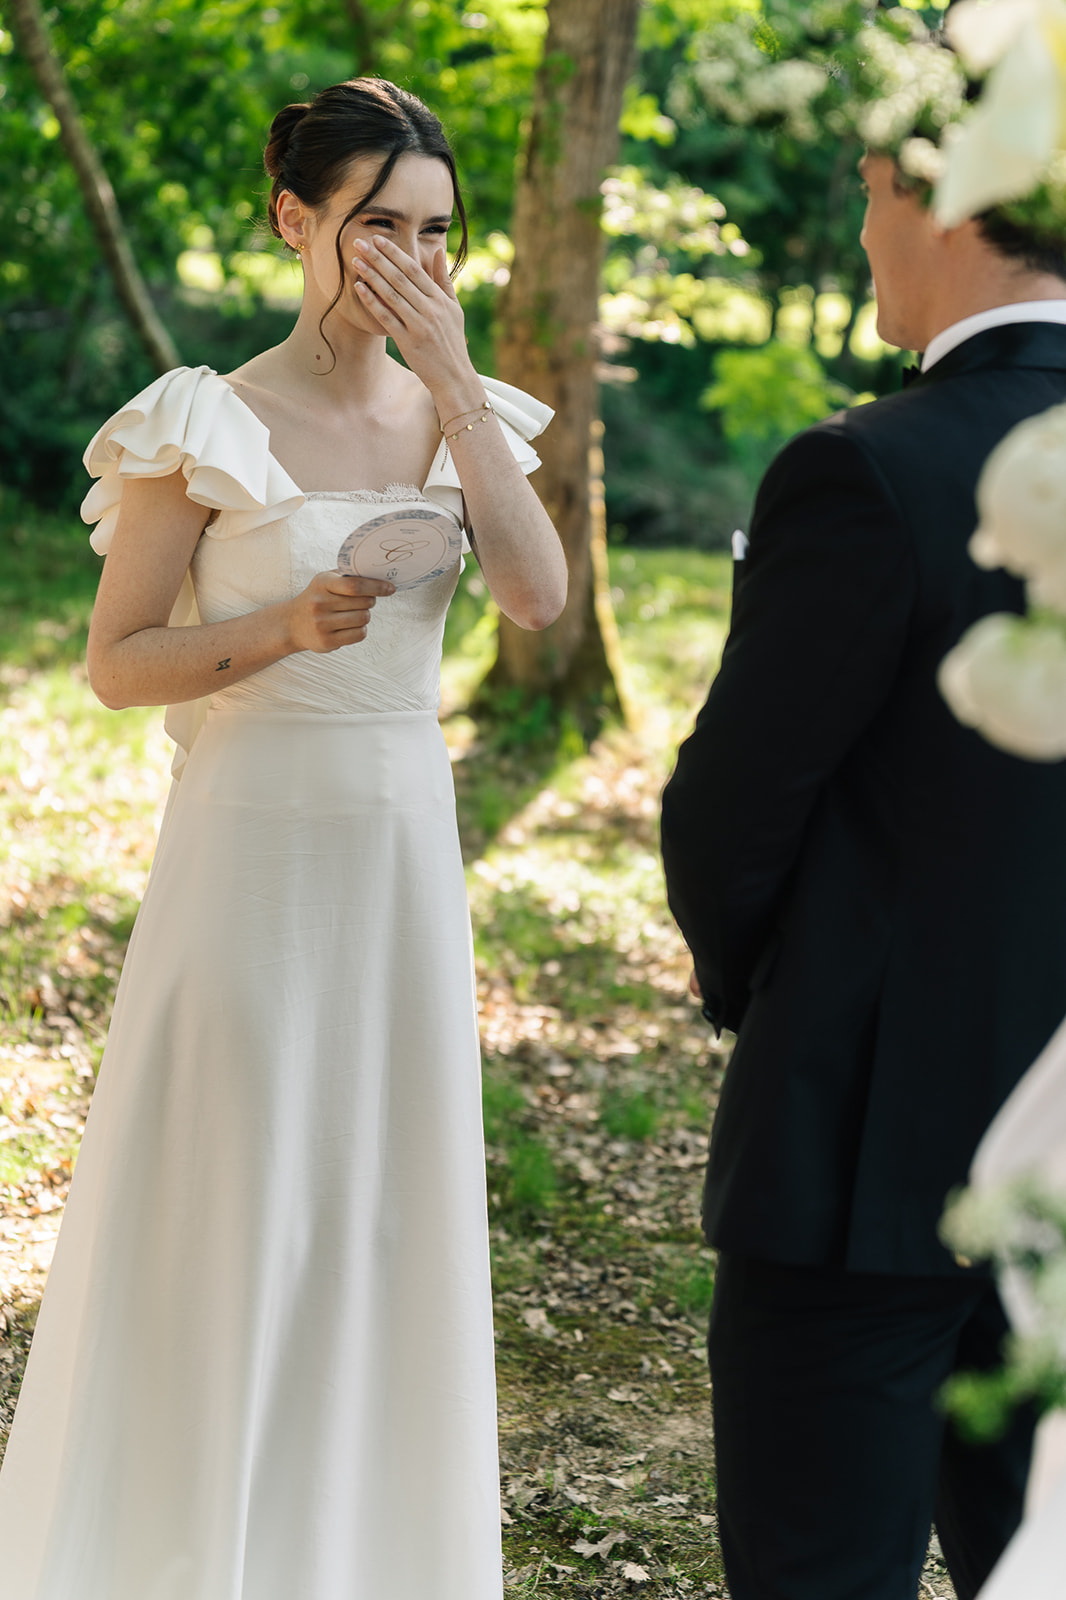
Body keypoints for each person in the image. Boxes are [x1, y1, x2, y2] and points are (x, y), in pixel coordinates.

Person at [0, 78, 566, 1600]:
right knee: (234, 1187)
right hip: (249, 842)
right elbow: (118, 665)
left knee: (380, 1201)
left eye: (436, 233)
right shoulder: (206, 417)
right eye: (376, 224)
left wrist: (455, 382)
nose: (407, 259)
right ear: (294, 221)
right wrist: (267, 630)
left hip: (394, 845)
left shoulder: (465, 419)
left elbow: (537, 599)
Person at [660, 150, 1066, 1600]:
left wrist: (765, 990)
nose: (859, 229)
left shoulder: (869, 463)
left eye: (870, 193)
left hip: (864, 1154)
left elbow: (728, 816)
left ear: (945, 204)